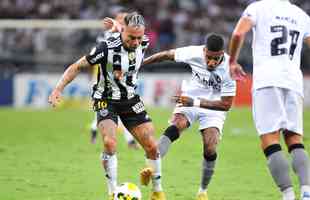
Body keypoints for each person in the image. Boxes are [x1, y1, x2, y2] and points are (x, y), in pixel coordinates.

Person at [48, 12, 166, 200]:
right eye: (131, 38)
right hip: (105, 98)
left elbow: (128, 31)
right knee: (110, 143)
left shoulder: (143, 41)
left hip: (130, 99)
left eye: (139, 38)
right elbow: (77, 66)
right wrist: (58, 89)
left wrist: (119, 28)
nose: (136, 42)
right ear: (123, 32)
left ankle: (157, 191)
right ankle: (112, 193)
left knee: (151, 146)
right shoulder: (105, 48)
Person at [229, 1, 310, 200]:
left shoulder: (258, 8)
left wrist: (232, 61)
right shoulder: (301, 15)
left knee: (270, 140)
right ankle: (307, 192)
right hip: (294, 81)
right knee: (295, 139)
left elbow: (239, 33)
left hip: (267, 80)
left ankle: (288, 196)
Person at [142, 33, 236, 200]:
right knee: (176, 125)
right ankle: (151, 166)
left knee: (210, 146)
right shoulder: (193, 52)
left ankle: (202, 191)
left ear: (223, 54)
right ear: (204, 51)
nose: (211, 62)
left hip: (213, 106)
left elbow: (226, 105)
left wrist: (195, 102)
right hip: (189, 98)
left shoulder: (230, 68)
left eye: (216, 58)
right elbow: (165, 55)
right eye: (208, 57)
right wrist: (141, 64)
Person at [89, 12, 139, 149]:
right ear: (117, 20)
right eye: (122, 19)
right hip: (105, 79)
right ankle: (129, 141)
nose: (125, 21)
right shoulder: (106, 36)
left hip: (122, 80)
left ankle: (94, 130)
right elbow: (99, 54)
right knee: (113, 109)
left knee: (117, 110)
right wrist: (113, 69)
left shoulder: (131, 36)